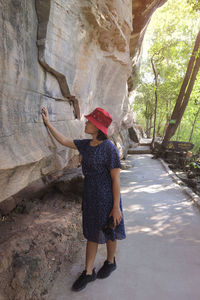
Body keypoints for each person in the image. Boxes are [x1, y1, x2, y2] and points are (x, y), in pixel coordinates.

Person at [41, 106, 126, 291]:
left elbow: (116, 179)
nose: (86, 123)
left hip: (107, 197)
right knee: (92, 233)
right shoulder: (86, 146)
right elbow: (63, 140)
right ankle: (89, 272)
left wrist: (116, 207)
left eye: (89, 121)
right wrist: (48, 123)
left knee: (110, 228)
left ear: (97, 127)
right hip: (90, 196)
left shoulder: (109, 148)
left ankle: (110, 262)